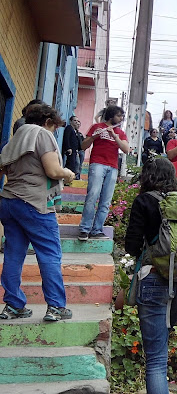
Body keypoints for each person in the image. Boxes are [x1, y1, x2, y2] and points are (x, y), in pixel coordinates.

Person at [124, 158, 177, 394]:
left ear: (147, 176)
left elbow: (132, 246)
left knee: (155, 359)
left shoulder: (144, 201)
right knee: (162, 339)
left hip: (155, 279)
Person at [0, 104, 75, 321]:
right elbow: (52, 170)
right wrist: (67, 173)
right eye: (55, 127)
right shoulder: (42, 134)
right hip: (34, 203)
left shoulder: (14, 140)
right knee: (50, 253)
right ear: (48, 121)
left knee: (13, 255)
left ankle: (13, 305)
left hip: (9, 202)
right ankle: (56, 306)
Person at [78, 105, 129, 241]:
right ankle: (84, 229)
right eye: (119, 115)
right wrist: (94, 137)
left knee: (106, 200)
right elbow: (83, 146)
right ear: (111, 116)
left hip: (112, 167)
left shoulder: (120, 132)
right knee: (93, 196)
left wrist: (115, 136)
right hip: (97, 164)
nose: (121, 118)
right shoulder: (97, 127)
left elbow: (126, 149)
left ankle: (97, 230)